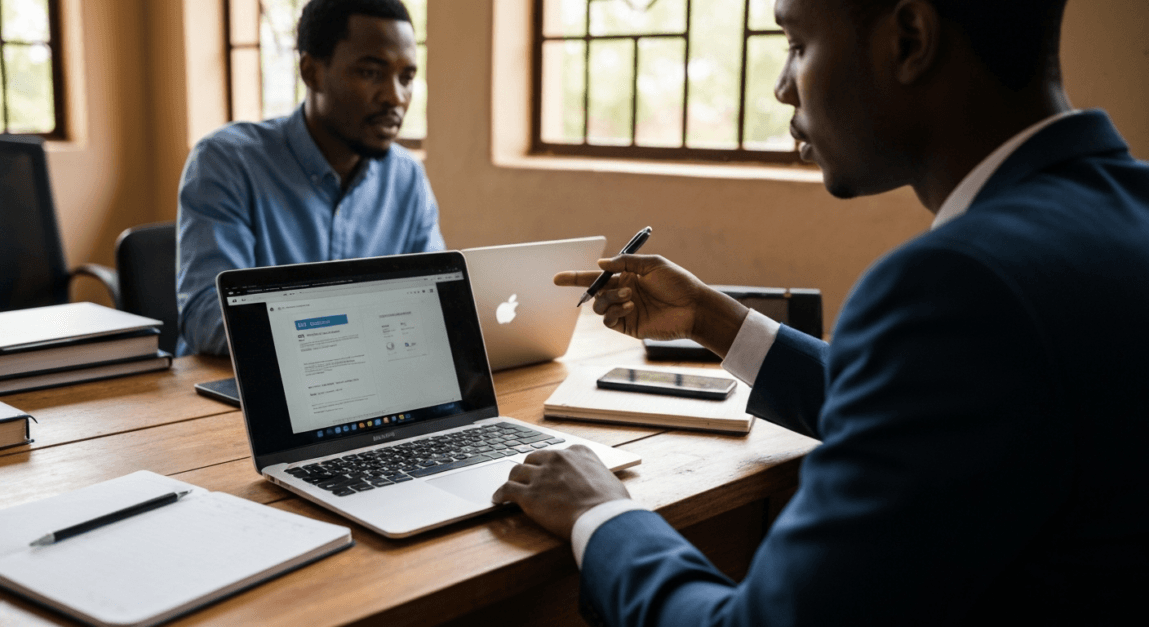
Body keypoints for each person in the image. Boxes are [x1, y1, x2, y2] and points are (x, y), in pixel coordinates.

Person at [493, 0, 1149, 624]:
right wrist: (709, 318)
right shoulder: (1125, 213)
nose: (783, 87)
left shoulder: (958, 281)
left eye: (797, 45)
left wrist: (600, 513)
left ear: (909, 41)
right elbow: (931, 407)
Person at [176, 0, 443, 356]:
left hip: (368, 386)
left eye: (406, 77)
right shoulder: (227, 161)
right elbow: (207, 317)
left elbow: (434, 303)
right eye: (370, 73)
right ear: (312, 72)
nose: (395, 96)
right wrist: (361, 335)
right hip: (237, 391)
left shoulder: (407, 177)